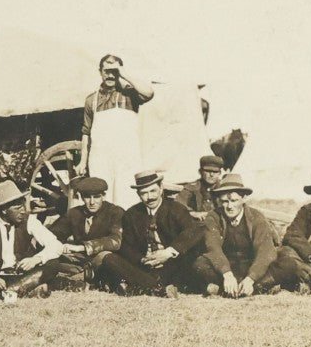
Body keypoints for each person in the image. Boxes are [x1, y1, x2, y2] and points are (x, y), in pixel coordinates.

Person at [99, 170, 211, 296]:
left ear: (161, 189)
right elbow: (126, 246)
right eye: (144, 193)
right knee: (110, 259)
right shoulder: (132, 214)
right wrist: (142, 260)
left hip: (172, 264)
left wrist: (168, 253)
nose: (149, 197)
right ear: (138, 194)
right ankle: (158, 288)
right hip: (146, 267)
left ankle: (143, 286)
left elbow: (192, 232)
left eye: (153, 191)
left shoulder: (176, 209)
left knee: (193, 260)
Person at [0, 180, 63, 300]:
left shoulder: (29, 221)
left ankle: (4, 293)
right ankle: (26, 290)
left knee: (53, 264)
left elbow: (56, 245)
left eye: (23, 206)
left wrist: (36, 259)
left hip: (22, 275)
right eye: (18, 208)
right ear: (4, 210)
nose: (23, 211)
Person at [82, 53, 154, 209]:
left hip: (126, 157)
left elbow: (149, 93)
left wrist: (124, 75)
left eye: (114, 71)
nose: (110, 75)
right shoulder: (91, 100)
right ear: (100, 71)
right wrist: (82, 161)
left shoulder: (130, 94)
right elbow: (86, 133)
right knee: (102, 197)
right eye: (106, 70)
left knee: (127, 196)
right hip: (101, 158)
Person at [194, 174, 280, 297]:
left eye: (234, 200)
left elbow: (265, 251)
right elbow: (213, 248)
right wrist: (227, 274)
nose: (229, 206)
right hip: (225, 266)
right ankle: (256, 288)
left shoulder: (257, 217)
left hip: (250, 265)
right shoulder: (213, 217)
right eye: (224, 201)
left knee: (284, 264)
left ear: (244, 198)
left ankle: (232, 288)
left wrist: (251, 278)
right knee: (199, 264)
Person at [42, 176, 124, 292]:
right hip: (81, 261)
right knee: (50, 260)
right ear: (81, 197)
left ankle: (94, 280)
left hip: (104, 260)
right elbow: (52, 235)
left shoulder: (115, 212)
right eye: (87, 197)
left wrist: (81, 247)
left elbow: (116, 241)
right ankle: (79, 279)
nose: (91, 202)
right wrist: (58, 247)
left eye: (96, 197)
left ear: (103, 196)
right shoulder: (74, 213)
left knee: (107, 258)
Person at [174, 154, 227, 219]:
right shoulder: (192, 188)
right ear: (200, 172)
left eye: (215, 171)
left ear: (219, 173)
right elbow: (178, 204)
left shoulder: (224, 188)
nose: (211, 174)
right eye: (208, 171)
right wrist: (192, 213)